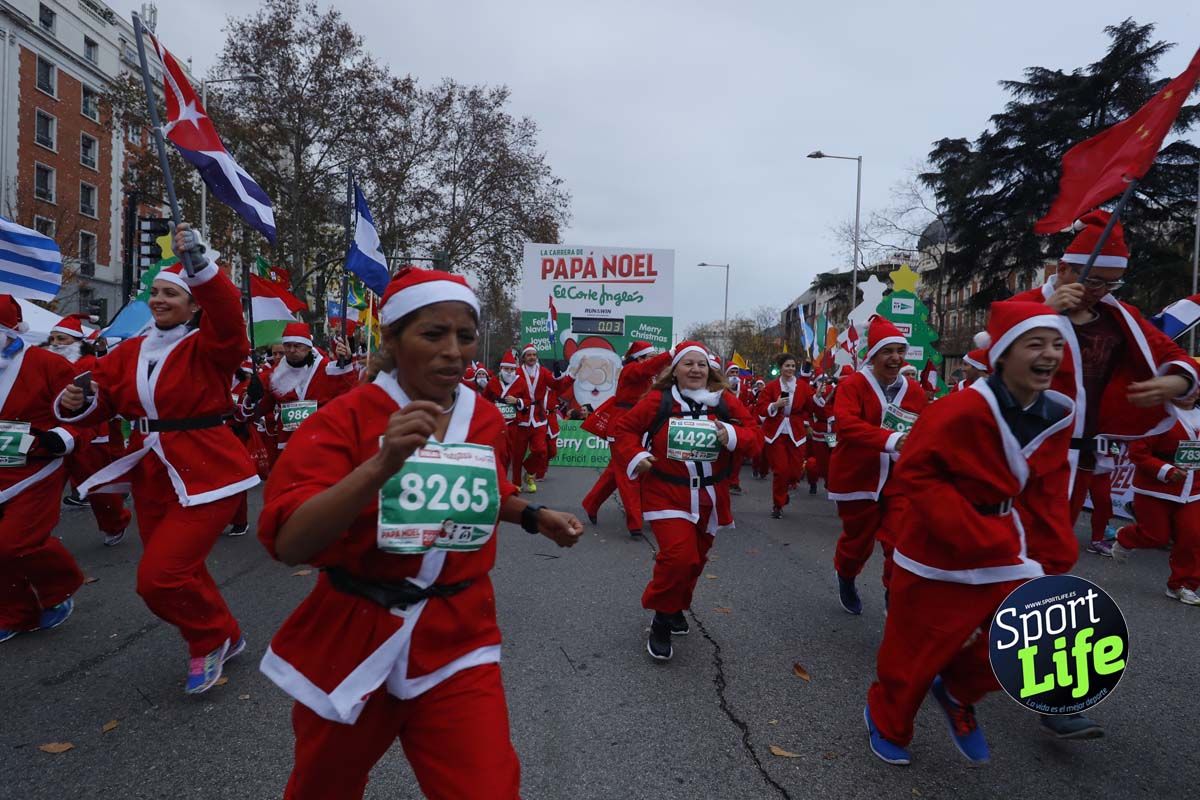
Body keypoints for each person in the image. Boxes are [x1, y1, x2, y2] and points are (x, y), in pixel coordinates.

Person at [255, 266, 583, 799]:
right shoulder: (346, 416)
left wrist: (530, 515)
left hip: (458, 635)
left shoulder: (483, 418)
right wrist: (379, 467)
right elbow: (291, 541)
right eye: (433, 334)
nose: (454, 351)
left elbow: (481, 487)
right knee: (323, 787)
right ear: (393, 339)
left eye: (465, 336)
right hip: (355, 633)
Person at [865, 302, 1077, 766]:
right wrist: (969, 532)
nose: (1050, 354)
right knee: (914, 656)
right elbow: (916, 476)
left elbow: (1048, 483)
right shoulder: (958, 410)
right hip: (936, 548)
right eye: (1035, 344)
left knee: (1034, 638)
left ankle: (959, 690)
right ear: (1001, 354)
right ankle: (888, 720)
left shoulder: (1058, 413)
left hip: (1004, 541)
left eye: (1057, 344)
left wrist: (1057, 547)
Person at [56, 226, 259, 693]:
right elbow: (100, 400)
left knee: (159, 579)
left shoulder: (210, 348)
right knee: (182, 570)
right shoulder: (128, 351)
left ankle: (208, 639)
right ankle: (226, 634)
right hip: (152, 473)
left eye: (172, 293)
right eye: (155, 292)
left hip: (208, 473)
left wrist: (199, 264)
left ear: (193, 305)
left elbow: (229, 316)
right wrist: (75, 403)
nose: (159, 300)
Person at [1009, 210, 1197, 557]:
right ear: (1063, 269)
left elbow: (1173, 353)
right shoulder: (1022, 307)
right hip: (1020, 447)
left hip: (1081, 453)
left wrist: (1176, 380)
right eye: (1094, 281)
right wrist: (1042, 315)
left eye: (1112, 284)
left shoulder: (1119, 317)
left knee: (1056, 553)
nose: (1102, 292)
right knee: (1010, 545)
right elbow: (991, 360)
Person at [612, 341, 763, 661]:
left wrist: (733, 436)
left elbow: (755, 436)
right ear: (675, 369)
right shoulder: (658, 400)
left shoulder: (724, 401)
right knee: (678, 557)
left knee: (695, 560)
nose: (695, 370)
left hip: (709, 496)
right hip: (667, 493)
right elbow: (624, 429)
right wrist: (637, 454)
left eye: (702, 365)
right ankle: (661, 619)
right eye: (688, 364)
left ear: (710, 371)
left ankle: (676, 604)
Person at [0, 296, 89, 642]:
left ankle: (61, 586)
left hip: (37, 468)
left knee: (11, 544)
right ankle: (15, 612)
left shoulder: (48, 365)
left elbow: (88, 414)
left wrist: (63, 436)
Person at [827, 316, 928, 615]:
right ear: (873, 355)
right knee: (857, 543)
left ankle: (892, 594)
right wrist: (890, 440)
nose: (895, 358)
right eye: (888, 351)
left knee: (900, 541)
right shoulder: (853, 386)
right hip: (858, 476)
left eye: (900, 351)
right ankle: (846, 575)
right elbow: (846, 425)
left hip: (900, 480)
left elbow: (923, 428)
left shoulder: (915, 392)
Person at [43, 314, 132, 546]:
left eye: (61, 338)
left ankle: (115, 523)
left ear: (77, 342)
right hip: (52, 435)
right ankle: (33, 534)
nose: (55, 343)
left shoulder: (90, 365)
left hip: (89, 435)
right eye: (52, 338)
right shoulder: (42, 364)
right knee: (43, 488)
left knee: (98, 488)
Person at [1111, 398, 1200, 604]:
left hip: (1193, 490)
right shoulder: (1156, 414)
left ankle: (1182, 585)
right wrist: (1166, 470)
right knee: (1156, 536)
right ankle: (1126, 537)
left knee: (1193, 536)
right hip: (1155, 489)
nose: (1191, 390)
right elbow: (1138, 452)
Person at [581, 341, 669, 536]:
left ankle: (590, 504)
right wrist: (671, 353)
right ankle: (635, 523)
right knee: (629, 473)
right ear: (639, 358)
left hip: (638, 425)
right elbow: (648, 368)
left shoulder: (646, 375)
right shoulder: (630, 370)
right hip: (622, 426)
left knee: (616, 471)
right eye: (650, 356)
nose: (653, 360)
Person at [254, 322, 357, 457]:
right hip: (287, 446)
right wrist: (252, 396)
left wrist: (347, 361)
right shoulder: (275, 375)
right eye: (288, 345)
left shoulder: (326, 368)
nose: (291, 350)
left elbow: (347, 392)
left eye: (297, 346)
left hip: (320, 441)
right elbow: (258, 409)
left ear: (308, 347)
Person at [500, 344, 574, 493]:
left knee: (541, 451)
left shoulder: (544, 372)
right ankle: (516, 483)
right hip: (521, 417)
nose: (532, 357)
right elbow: (505, 388)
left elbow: (557, 386)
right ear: (524, 358)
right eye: (529, 355)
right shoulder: (518, 372)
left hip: (539, 418)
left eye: (534, 355)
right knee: (517, 454)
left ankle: (529, 473)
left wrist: (563, 375)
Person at [756, 353, 816, 518]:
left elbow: (809, 408)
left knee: (795, 472)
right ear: (780, 368)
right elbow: (761, 408)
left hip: (796, 432)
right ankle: (778, 504)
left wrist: (816, 401)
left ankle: (784, 492)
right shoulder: (771, 387)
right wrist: (775, 405)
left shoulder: (803, 387)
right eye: (787, 366)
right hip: (775, 433)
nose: (790, 369)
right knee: (780, 471)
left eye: (793, 366)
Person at [806, 374, 837, 494]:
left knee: (832, 457)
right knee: (816, 459)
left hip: (831, 431)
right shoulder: (813, 393)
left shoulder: (834, 389)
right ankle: (813, 481)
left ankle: (829, 482)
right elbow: (809, 410)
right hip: (819, 431)